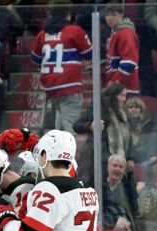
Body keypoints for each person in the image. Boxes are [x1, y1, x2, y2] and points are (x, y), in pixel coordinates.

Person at [30, 4, 91, 134]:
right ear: (68, 15)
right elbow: (89, 53)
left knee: (60, 130)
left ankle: (58, 152)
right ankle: (67, 154)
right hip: (69, 85)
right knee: (70, 129)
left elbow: (35, 59)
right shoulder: (74, 31)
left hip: (51, 87)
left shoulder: (42, 34)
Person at [105, 3, 140, 96]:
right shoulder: (116, 32)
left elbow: (130, 62)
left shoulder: (125, 33)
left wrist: (114, 82)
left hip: (125, 89)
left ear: (121, 15)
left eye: (113, 14)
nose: (109, 18)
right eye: (107, 14)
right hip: (118, 88)